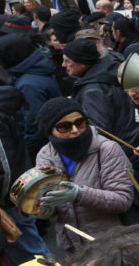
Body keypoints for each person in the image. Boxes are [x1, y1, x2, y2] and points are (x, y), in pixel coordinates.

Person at [34, 98, 133, 254]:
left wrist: (79, 194)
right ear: (50, 131)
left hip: (112, 246)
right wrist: (44, 207)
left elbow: (123, 199)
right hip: (73, 249)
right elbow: (46, 213)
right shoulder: (45, 156)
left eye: (80, 122)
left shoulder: (107, 149)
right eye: (64, 127)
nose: (74, 130)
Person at [61, 38, 139, 147]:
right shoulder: (111, 67)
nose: (63, 65)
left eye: (67, 61)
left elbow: (99, 132)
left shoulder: (92, 91)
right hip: (136, 140)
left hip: (125, 149)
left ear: (82, 64)